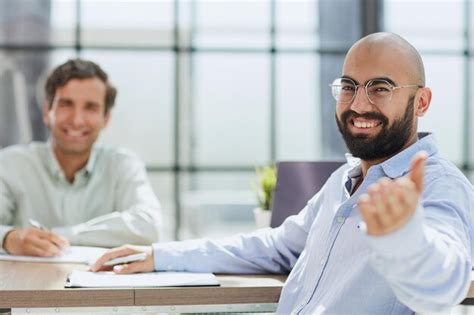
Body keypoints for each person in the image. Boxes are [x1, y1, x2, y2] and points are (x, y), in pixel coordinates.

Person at [91, 33, 473, 314]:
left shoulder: (440, 187)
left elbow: (443, 284)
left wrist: (405, 237)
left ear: (420, 101)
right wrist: (161, 255)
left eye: (380, 88)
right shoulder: (343, 181)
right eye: (349, 87)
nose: (359, 104)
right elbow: (276, 247)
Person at [0, 59, 162, 257]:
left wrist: (64, 236)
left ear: (106, 119)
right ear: (46, 112)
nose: (77, 120)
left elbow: (149, 226)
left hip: (102, 286)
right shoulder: (10, 164)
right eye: (66, 104)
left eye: (91, 107)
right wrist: (8, 238)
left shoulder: (123, 165)